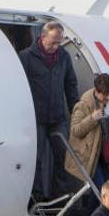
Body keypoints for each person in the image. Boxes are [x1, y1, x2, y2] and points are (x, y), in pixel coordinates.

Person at [19, 21, 79, 203]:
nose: (56, 46)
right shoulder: (27, 57)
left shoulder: (64, 57)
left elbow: (71, 84)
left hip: (57, 117)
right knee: (35, 158)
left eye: (59, 42)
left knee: (63, 157)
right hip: (35, 117)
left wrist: (74, 111)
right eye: (52, 42)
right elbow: (19, 87)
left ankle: (59, 197)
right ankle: (35, 197)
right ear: (42, 37)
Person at [65, 72, 109, 213]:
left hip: (108, 158)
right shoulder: (84, 105)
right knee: (100, 191)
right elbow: (75, 130)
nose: (108, 98)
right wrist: (92, 119)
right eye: (105, 95)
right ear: (97, 92)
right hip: (91, 157)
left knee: (108, 190)